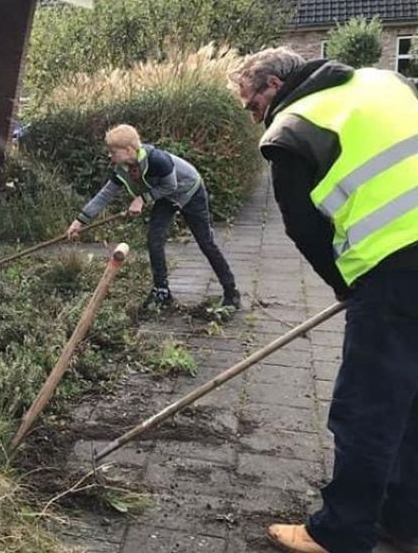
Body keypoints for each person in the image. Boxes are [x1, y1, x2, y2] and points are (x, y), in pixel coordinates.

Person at [229, 47, 418, 553]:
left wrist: (349, 287)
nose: (254, 118)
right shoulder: (384, 83)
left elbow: (304, 232)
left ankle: (340, 532)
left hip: (398, 264)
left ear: (273, 85)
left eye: (251, 105)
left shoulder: (291, 129)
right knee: (412, 401)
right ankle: (404, 521)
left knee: (367, 409)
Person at [66, 124, 240, 309]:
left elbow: (171, 185)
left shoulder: (157, 160)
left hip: (190, 191)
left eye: (113, 151)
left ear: (128, 150)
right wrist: (79, 222)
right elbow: (104, 195)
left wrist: (142, 199)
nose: (110, 156)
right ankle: (162, 291)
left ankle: (231, 291)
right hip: (166, 197)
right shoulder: (122, 168)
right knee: (154, 240)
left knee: (205, 242)